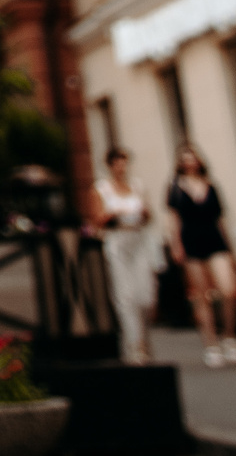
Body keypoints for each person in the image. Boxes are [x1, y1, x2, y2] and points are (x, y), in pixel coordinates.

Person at [166, 143, 236, 367]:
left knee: (228, 290)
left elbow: (220, 219)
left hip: (214, 239)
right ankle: (211, 345)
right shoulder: (175, 188)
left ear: (199, 160)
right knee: (202, 296)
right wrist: (176, 246)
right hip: (191, 241)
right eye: (185, 158)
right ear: (180, 163)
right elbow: (174, 221)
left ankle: (229, 337)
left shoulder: (211, 185)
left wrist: (230, 248)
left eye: (192, 157)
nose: (189, 161)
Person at [91, 147, 159, 365]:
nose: (122, 167)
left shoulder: (137, 186)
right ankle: (135, 345)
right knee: (126, 295)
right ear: (110, 166)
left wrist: (143, 214)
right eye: (118, 163)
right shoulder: (101, 189)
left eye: (124, 162)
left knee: (146, 294)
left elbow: (149, 215)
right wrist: (114, 215)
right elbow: (97, 221)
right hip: (118, 241)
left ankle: (146, 340)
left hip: (138, 239)